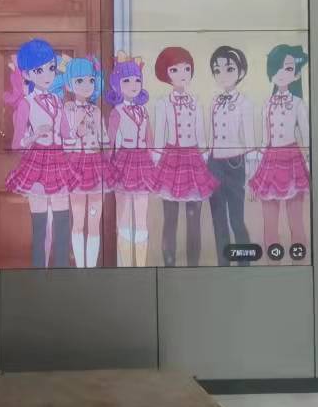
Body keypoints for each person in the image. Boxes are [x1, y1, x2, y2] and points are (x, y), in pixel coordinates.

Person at [4, 38, 74, 269]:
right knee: (40, 224)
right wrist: (33, 136)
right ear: (26, 74)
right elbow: (16, 144)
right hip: (37, 162)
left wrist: (79, 135)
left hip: (58, 161)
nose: (47, 75)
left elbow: (67, 134)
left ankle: (61, 270)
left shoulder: (57, 100)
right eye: (39, 70)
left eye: (51, 68)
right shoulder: (25, 104)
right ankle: (38, 273)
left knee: (62, 222)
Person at [150, 45, 219, 268]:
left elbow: (201, 135)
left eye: (186, 68)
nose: (182, 74)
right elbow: (159, 135)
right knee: (170, 217)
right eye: (175, 70)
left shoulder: (196, 102)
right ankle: (169, 262)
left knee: (193, 217)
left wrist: (204, 159)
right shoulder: (162, 104)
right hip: (171, 161)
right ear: (166, 74)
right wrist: (156, 162)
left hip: (193, 161)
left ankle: (193, 264)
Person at [251, 44, 311, 257]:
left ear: (296, 74)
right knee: (269, 217)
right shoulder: (267, 104)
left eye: (288, 68)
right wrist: (256, 168)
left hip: (292, 159)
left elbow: (307, 136)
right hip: (270, 160)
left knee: (296, 217)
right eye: (277, 67)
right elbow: (264, 140)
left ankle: (299, 254)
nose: (282, 73)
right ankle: (272, 254)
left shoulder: (298, 104)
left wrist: (309, 164)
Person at [105, 53, 155, 267]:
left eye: (137, 80)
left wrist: (154, 161)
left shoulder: (144, 110)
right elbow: (110, 143)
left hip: (143, 162)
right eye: (127, 81)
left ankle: (141, 266)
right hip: (123, 162)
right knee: (123, 216)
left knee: (142, 216)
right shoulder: (116, 112)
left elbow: (150, 138)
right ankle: (126, 266)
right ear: (117, 85)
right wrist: (106, 167)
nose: (133, 85)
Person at [207, 45, 256, 261]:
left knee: (236, 218)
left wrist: (252, 176)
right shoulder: (214, 102)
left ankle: (244, 262)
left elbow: (250, 141)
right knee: (218, 219)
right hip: (214, 163)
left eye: (229, 69)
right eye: (217, 70)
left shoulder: (245, 103)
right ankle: (223, 263)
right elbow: (211, 136)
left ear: (241, 72)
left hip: (236, 162)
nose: (223, 75)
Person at [62, 55, 108, 268]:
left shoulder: (96, 110)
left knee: (94, 220)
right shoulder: (68, 109)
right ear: (69, 84)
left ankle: (92, 267)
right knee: (78, 220)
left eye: (91, 80)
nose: (86, 85)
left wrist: (105, 145)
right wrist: (76, 132)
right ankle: (81, 268)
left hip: (96, 165)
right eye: (80, 80)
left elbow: (104, 138)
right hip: (76, 165)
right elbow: (64, 139)